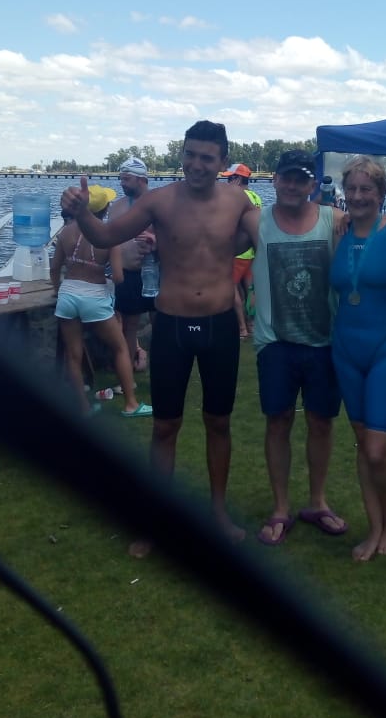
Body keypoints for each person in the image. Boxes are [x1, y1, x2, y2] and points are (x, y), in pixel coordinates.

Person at [60, 122, 259, 553]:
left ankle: (218, 514)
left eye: (207, 157)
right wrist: (82, 212)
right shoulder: (160, 201)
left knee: (218, 423)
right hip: (172, 325)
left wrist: (333, 223)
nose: (196, 164)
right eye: (190, 154)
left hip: (220, 326)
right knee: (165, 426)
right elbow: (106, 235)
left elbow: (275, 237)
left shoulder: (238, 201)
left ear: (223, 162)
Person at [252, 149, 349, 546]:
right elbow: (205, 235)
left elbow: (376, 231)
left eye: (302, 179)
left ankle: (318, 502)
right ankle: (280, 507)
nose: (293, 185)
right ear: (275, 179)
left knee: (321, 422)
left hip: (324, 341)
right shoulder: (254, 221)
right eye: (287, 177)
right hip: (275, 342)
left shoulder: (334, 220)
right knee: (278, 422)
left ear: (313, 183)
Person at [330, 157, 386, 561]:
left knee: (378, 450)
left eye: (366, 189)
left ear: (382, 193)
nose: (357, 196)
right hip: (347, 350)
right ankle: (374, 528)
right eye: (351, 188)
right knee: (362, 443)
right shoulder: (338, 232)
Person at [50, 185, 152, 419]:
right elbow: (118, 276)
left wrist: (58, 290)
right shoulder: (108, 236)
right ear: (105, 209)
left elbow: (54, 269)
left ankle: (83, 408)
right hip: (94, 295)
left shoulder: (65, 233)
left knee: (73, 355)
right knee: (120, 348)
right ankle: (130, 404)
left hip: (68, 294)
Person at [108, 156, 155, 371]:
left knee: (160, 322)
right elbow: (109, 239)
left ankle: (163, 366)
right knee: (129, 326)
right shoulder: (116, 207)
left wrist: (155, 240)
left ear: (141, 179)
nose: (122, 183)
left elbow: (174, 236)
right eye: (121, 178)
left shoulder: (158, 204)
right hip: (128, 274)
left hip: (154, 272)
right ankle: (127, 370)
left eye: (126, 179)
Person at [223, 163, 262, 339]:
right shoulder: (256, 197)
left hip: (238, 253)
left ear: (237, 179)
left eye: (229, 179)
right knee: (250, 289)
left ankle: (241, 328)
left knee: (231, 289)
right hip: (252, 252)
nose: (227, 182)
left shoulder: (235, 198)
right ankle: (252, 325)